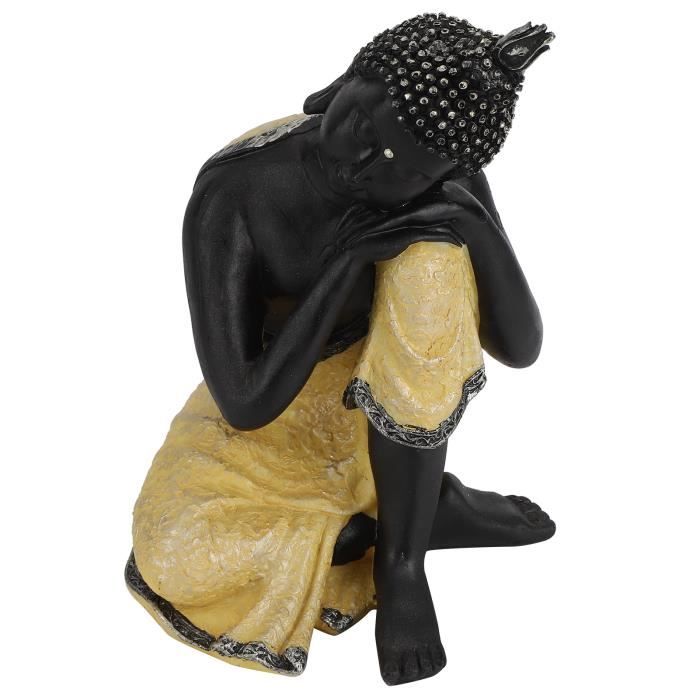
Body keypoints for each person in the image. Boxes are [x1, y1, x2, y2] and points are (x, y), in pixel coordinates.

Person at [127, 12, 555, 685]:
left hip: (389, 425)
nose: (362, 162)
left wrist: (468, 219)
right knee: (174, 557)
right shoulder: (238, 190)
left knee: (432, 261)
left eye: (400, 167)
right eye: (361, 127)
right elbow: (245, 404)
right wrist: (348, 261)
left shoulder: (440, 184)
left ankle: (401, 563)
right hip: (267, 436)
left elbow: (520, 346)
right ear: (342, 84)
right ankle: (413, 514)